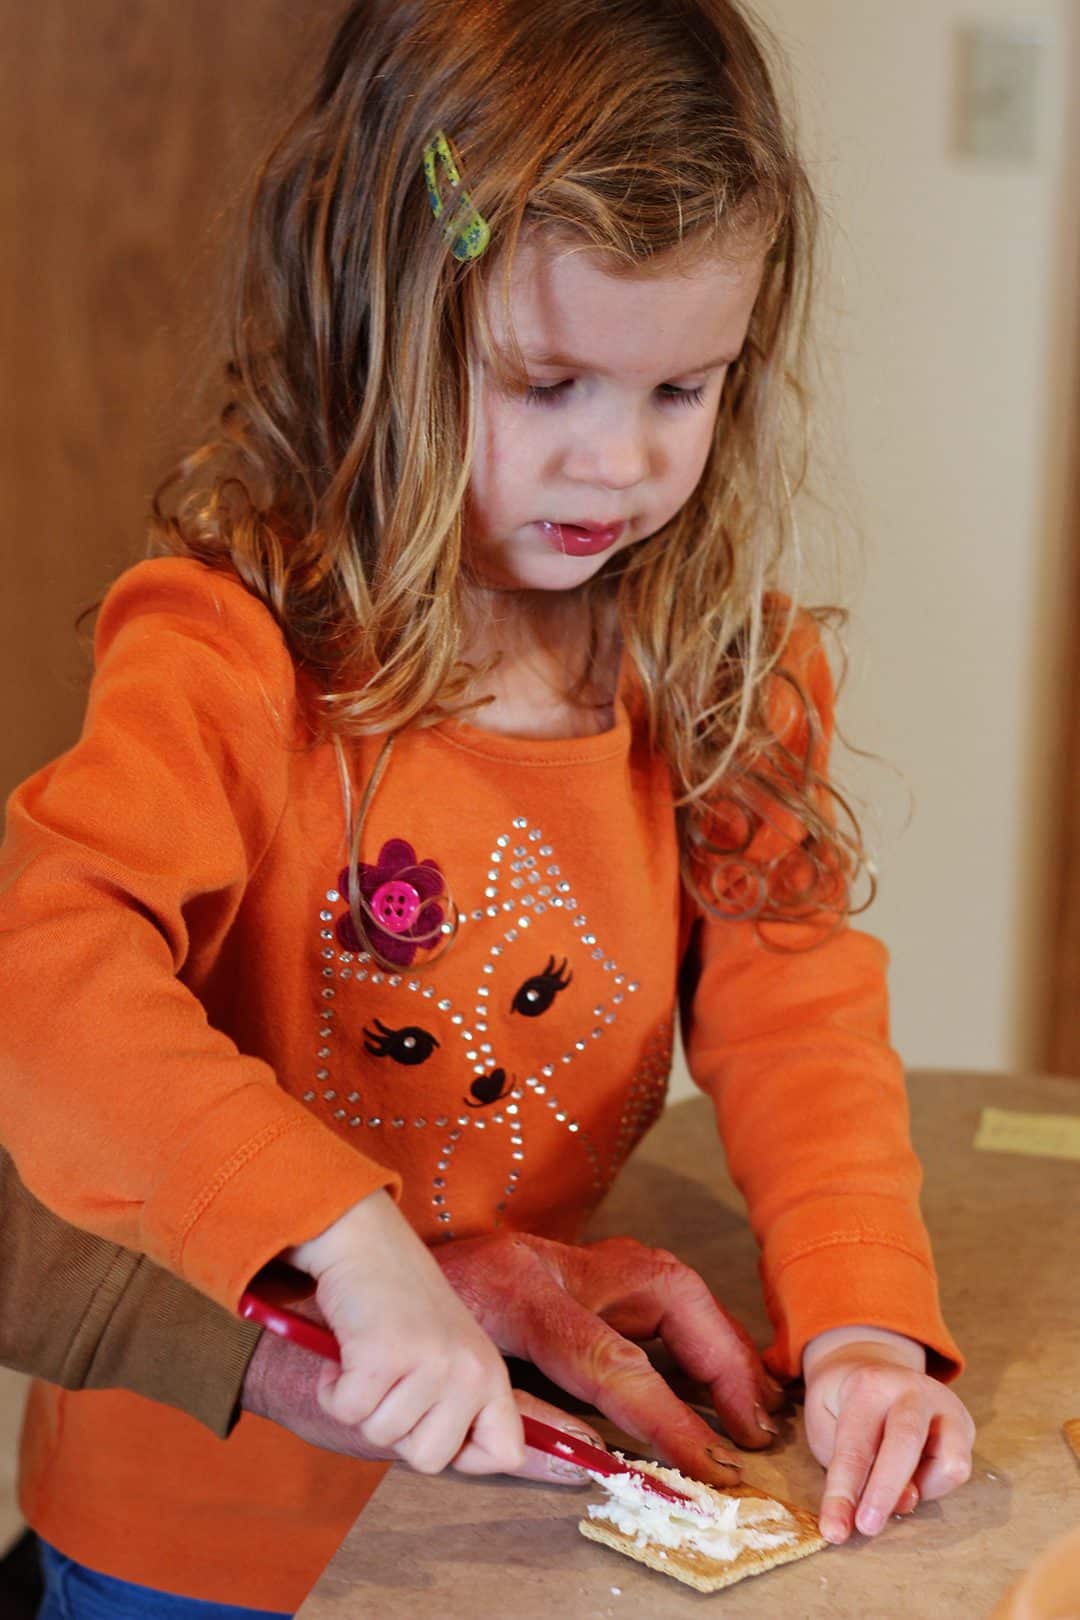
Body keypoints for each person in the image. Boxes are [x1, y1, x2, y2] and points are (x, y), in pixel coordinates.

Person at [0, 0, 975, 1612]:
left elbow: (798, 1019)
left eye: (683, 391)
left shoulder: (719, 663)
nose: (620, 467)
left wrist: (865, 1326)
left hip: (510, 1505)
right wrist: (348, 1237)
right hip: (196, 1526)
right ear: (378, 311)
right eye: (549, 384)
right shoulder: (229, 647)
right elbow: (43, 981)